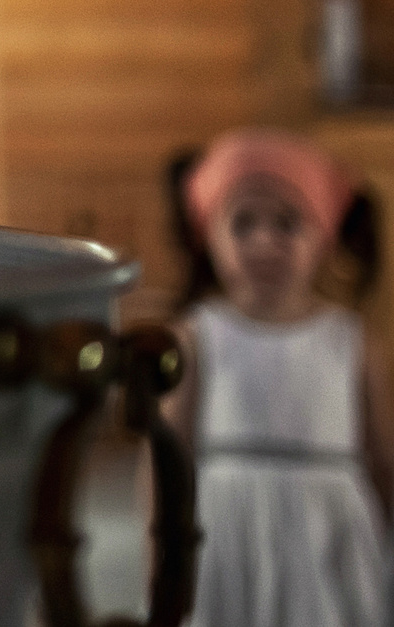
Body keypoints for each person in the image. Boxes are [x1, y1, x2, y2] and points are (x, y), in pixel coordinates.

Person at [167, 129, 393, 627]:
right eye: (242, 223)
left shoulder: (349, 341)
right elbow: (168, 454)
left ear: (325, 238)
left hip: (328, 536)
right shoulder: (198, 335)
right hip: (224, 535)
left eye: (288, 223)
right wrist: (160, 548)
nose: (264, 241)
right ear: (211, 236)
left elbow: (382, 456)